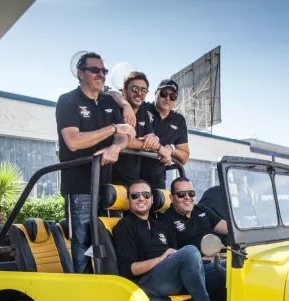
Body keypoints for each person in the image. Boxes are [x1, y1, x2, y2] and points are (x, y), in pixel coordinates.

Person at [56, 51, 135, 273]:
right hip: (80, 186)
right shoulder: (68, 101)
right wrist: (112, 129)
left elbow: (125, 134)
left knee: (109, 242)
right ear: (80, 73)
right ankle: (81, 293)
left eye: (104, 71)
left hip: (107, 186)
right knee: (82, 245)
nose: (101, 75)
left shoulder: (110, 101)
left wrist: (116, 146)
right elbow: (73, 141)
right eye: (95, 70)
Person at [112, 181, 224, 301]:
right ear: (128, 200)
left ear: (152, 199)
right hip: (146, 283)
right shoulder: (124, 226)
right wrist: (161, 259)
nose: (141, 199)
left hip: (169, 276)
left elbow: (178, 256)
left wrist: (201, 260)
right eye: (135, 196)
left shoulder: (160, 225)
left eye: (145, 195)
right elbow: (130, 269)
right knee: (190, 251)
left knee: (225, 267)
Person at [161, 178, 228, 301]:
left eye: (191, 193)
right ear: (171, 197)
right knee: (230, 272)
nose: (187, 198)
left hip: (216, 259)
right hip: (194, 269)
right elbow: (175, 257)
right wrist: (205, 259)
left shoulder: (201, 210)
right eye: (181, 194)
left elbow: (227, 228)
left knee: (244, 265)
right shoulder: (167, 221)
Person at [110, 71, 161, 187]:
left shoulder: (143, 110)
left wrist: (154, 140)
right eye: (134, 89)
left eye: (143, 90)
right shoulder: (114, 106)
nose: (139, 93)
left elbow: (150, 138)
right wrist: (126, 106)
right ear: (124, 90)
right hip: (113, 181)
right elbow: (109, 92)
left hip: (134, 183)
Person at [143, 79, 190, 189]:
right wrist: (126, 107)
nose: (168, 99)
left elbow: (185, 157)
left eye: (172, 96)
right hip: (131, 176)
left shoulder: (179, 120)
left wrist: (171, 149)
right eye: (164, 94)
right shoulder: (142, 108)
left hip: (157, 181)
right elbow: (118, 96)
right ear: (156, 94)